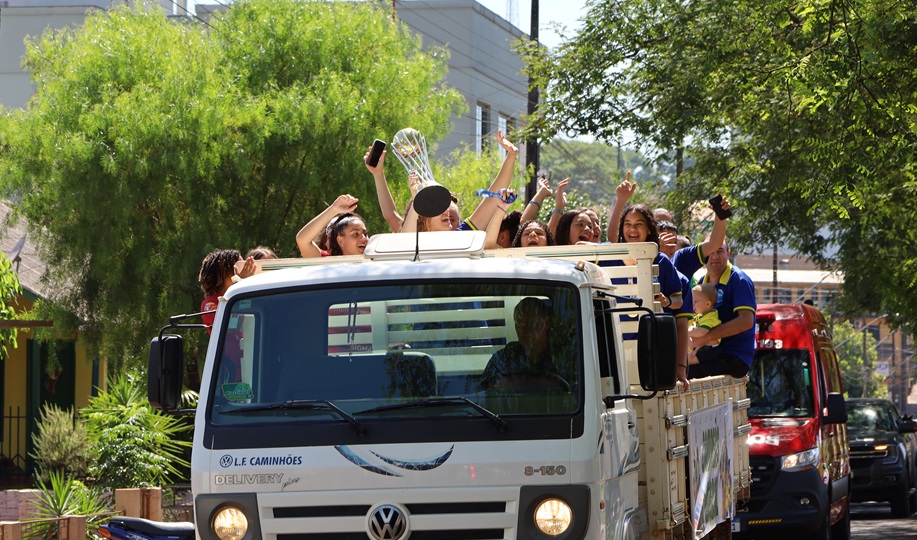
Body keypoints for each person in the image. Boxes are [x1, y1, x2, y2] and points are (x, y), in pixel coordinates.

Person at [402, 130, 518, 234]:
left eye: (445, 205)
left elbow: (491, 200)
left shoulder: (462, 236)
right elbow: (405, 241)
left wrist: (511, 156)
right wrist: (416, 199)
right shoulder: (417, 243)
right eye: (438, 205)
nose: (446, 210)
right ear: (423, 220)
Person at [687, 239, 757, 379]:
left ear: (728, 253)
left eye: (720, 251)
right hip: (709, 352)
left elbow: (746, 321)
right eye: (710, 252)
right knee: (674, 369)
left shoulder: (739, 280)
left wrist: (706, 338)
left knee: (685, 374)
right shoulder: (701, 284)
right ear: (703, 255)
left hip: (733, 356)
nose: (714, 256)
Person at [478, 297, 571, 391]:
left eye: (530, 323)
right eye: (518, 324)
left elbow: (573, 390)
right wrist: (500, 387)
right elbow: (481, 392)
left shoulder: (561, 358)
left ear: (546, 323)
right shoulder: (504, 358)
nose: (522, 330)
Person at [295, 195, 369, 257]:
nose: (364, 239)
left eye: (365, 234)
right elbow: (302, 240)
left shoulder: (373, 261)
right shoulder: (327, 262)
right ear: (340, 241)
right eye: (356, 234)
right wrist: (334, 209)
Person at [688, 283, 721, 364]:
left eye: (695, 301)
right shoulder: (700, 316)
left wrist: (687, 333)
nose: (692, 304)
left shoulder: (711, 317)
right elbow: (692, 326)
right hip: (702, 347)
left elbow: (702, 331)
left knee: (683, 362)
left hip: (710, 349)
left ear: (707, 304)